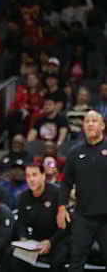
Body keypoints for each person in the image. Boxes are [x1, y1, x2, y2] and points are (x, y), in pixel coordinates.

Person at [58, 111, 107, 272]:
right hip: (83, 216)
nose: (90, 124)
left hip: (105, 216)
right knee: (76, 262)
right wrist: (61, 207)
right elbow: (65, 182)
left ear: (102, 126)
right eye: (87, 121)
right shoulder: (74, 152)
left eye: (94, 121)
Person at [11, 162, 68, 272]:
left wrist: (50, 242)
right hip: (37, 240)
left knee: (57, 260)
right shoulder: (23, 197)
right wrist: (24, 239)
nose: (31, 179)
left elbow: (66, 225)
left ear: (43, 176)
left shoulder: (57, 194)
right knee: (14, 256)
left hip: (59, 238)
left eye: (34, 175)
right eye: (28, 176)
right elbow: (21, 223)